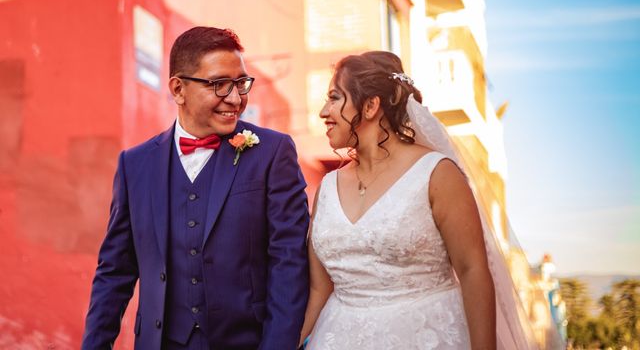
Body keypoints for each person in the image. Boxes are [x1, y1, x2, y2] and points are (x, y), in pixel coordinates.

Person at [82, 26, 310, 350]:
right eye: (219, 85)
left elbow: (289, 265)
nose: (235, 98)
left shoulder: (273, 153)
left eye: (241, 83)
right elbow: (114, 273)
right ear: (178, 89)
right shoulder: (135, 165)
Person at [300, 51, 496, 349]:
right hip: (337, 336)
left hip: (426, 335)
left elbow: (472, 270)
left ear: (370, 106)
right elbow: (319, 288)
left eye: (335, 98)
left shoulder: (436, 173)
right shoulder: (327, 187)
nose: (324, 112)